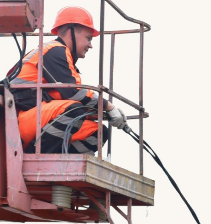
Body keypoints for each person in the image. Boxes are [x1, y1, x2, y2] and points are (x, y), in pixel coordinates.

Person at [10, 6, 127, 155]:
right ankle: (37, 156)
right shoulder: (55, 51)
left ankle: (63, 163)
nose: (91, 45)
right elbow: (73, 93)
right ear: (73, 31)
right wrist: (108, 107)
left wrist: (104, 114)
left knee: (98, 132)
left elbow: (65, 97)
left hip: (36, 117)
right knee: (75, 109)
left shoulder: (58, 55)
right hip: (19, 120)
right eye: (88, 38)